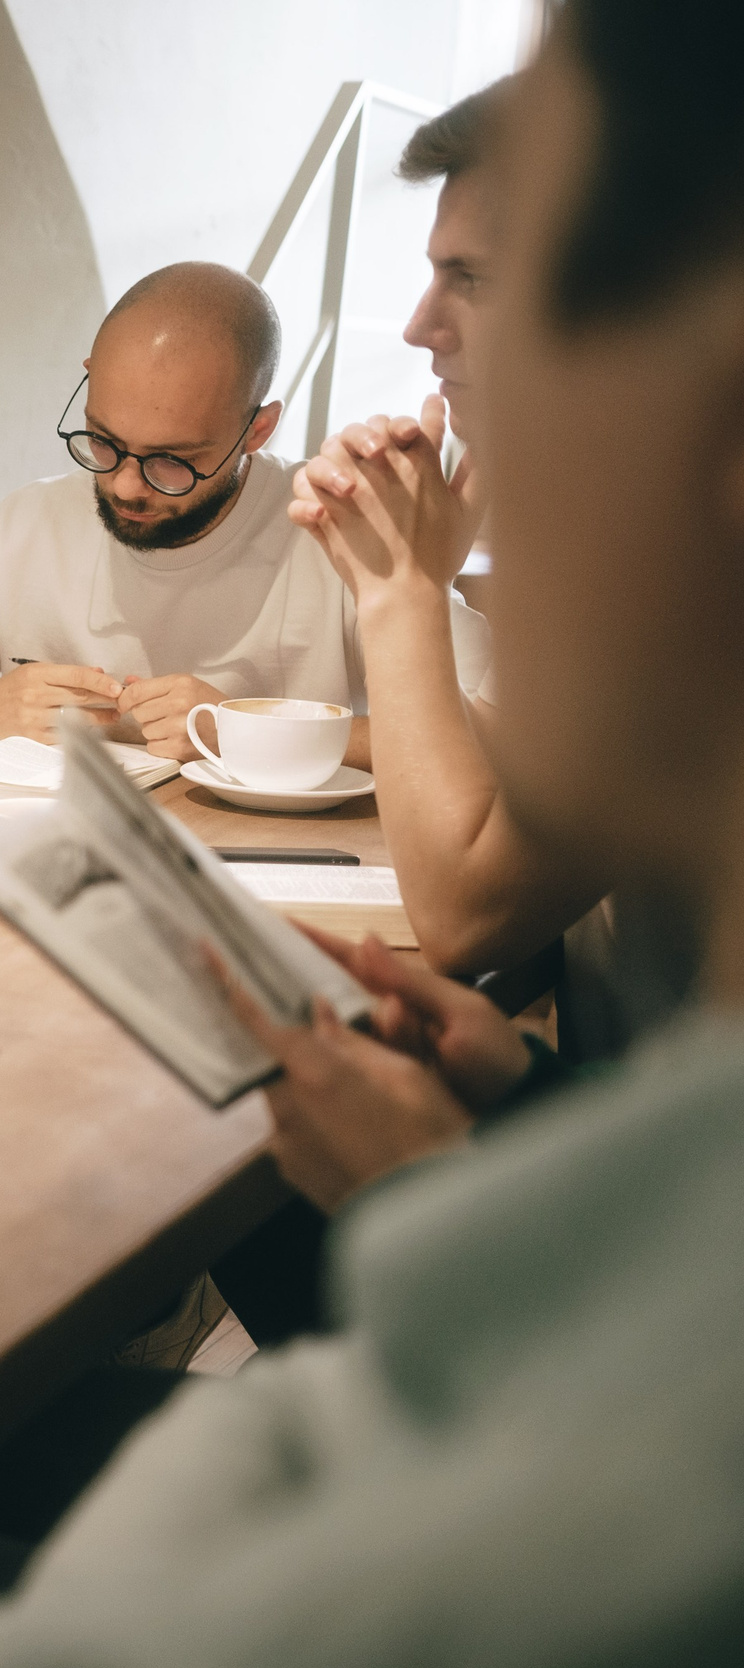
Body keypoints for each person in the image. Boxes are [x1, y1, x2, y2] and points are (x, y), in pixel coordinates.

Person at [0, 5, 744, 1668]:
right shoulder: (34, 527)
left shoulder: (391, 570)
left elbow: (474, 884)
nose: (423, 341)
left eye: (492, 292)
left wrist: (405, 600)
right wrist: (514, 1106)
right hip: (446, 1310)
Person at [288, 83, 697, 1056]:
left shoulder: (693, 568)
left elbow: (466, 917)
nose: (422, 326)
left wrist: (398, 593)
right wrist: (519, 1084)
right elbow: (570, 787)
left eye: (469, 278)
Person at [0, 263, 490, 766]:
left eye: (171, 460)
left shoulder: (334, 534)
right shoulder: (30, 526)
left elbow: (512, 735)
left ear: (258, 430)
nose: (126, 484)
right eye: (102, 441)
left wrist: (250, 730)